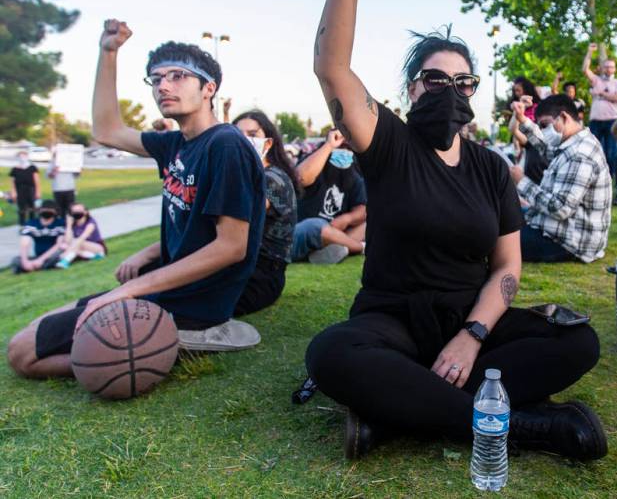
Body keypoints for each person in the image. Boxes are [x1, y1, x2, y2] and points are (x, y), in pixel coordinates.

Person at [304, 0, 605, 462]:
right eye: (433, 79)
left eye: (462, 82)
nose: (449, 90)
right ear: (411, 90)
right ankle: (527, 429)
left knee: (576, 340)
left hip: (471, 321)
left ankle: (395, 416)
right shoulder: (387, 143)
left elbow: (508, 269)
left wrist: (471, 336)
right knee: (330, 355)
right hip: (391, 322)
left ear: (473, 93)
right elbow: (331, 67)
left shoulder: (492, 168)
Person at [6, 19, 266, 380]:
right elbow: (106, 130)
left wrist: (129, 290)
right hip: (167, 290)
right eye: (156, 79)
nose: (163, 86)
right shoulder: (176, 144)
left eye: (177, 76)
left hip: (192, 304)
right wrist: (108, 51)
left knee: (23, 354)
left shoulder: (225, 144)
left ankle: (151, 351)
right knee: (37, 329)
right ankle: (147, 347)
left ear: (209, 88)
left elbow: (231, 248)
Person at [510, 94, 612, 263]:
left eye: (545, 125)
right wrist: (522, 119)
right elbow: (546, 147)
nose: (543, 130)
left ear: (564, 117)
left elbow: (560, 208)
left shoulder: (580, 154)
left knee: (498, 235)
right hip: (558, 229)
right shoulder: (573, 143)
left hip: (568, 242)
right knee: (502, 215)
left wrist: (521, 182)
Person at [232, 110, 299, 316]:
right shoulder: (246, 175)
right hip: (238, 268)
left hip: (260, 276)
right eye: (238, 135)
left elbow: (235, 223)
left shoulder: (271, 178)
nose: (245, 141)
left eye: (252, 134)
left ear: (268, 143)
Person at [292, 130, 367, 264]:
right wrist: (329, 145)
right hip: (304, 230)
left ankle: (335, 250)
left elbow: (362, 209)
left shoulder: (353, 172)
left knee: (369, 221)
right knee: (315, 225)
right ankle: (359, 247)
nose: (344, 151)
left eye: (347, 147)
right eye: (340, 146)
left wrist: (347, 219)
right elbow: (301, 178)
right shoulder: (314, 162)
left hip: (334, 235)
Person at [582, 42, 617, 172]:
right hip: (595, 120)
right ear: (602, 68)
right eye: (606, 67)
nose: (608, 69)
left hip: (611, 120)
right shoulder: (596, 80)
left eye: (611, 67)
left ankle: (611, 178)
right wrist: (590, 52)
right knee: (593, 151)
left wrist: (601, 93)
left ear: (614, 69)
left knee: (612, 152)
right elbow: (585, 69)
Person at [10, 199, 66, 273]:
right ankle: (34, 266)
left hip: (52, 255)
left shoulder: (60, 223)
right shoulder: (31, 223)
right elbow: (24, 244)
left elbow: (59, 244)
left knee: (59, 255)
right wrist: (25, 261)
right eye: (45, 209)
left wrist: (41, 260)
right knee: (16, 260)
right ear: (39, 210)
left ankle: (35, 266)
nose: (47, 212)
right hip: (38, 256)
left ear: (55, 212)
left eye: (50, 210)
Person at [54, 203, 106, 270]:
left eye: (79, 210)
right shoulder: (73, 224)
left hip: (97, 247)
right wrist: (69, 225)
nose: (77, 212)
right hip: (80, 248)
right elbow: (67, 241)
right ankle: (94, 256)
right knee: (71, 244)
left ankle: (65, 260)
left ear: (86, 212)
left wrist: (67, 252)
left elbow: (82, 238)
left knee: (77, 241)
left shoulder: (90, 222)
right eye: (74, 211)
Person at [9, 150, 41, 225]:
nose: (22, 158)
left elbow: (37, 181)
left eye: (24, 156)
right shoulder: (15, 169)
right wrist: (13, 192)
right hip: (19, 190)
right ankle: (22, 224)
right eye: (20, 156)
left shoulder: (32, 167)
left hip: (31, 190)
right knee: (21, 209)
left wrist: (38, 191)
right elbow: (12, 182)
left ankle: (32, 224)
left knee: (32, 208)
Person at [47, 146, 79, 217]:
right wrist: (54, 171)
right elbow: (49, 176)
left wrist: (78, 169)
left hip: (69, 188)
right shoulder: (52, 163)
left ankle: (69, 224)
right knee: (59, 209)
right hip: (58, 189)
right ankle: (61, 224)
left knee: (70, 209)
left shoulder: (70, 162)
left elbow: (76, 175)